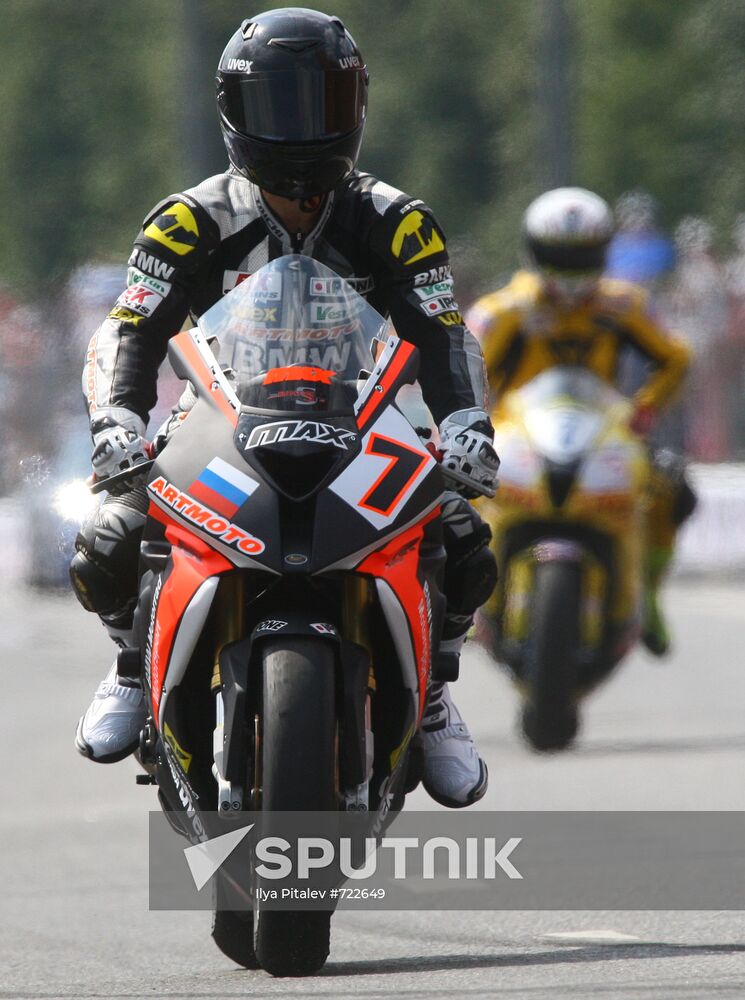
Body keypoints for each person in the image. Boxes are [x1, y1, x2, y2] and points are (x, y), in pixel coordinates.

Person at [70, 8, 498, 809]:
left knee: (466, 541)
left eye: (322, 102)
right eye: (278, 105)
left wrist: (467, 424)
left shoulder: (398, 221)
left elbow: (442, 332)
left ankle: (436, 692)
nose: (302, 129)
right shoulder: (185, 220)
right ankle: (132, 663)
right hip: (220, 422)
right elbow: (130, 327)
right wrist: (117, 421)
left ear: (357, 106)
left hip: (367, 425)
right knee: (107, 537)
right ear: (234, 110)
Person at [466, 187, 696, 656]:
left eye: (583, 257)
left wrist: (645, 407)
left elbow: (675, 357)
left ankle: (648, 592)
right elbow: (465, 364)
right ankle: (464, 600)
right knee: (454, 488)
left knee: (674, 487)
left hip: (604, 431)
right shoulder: (504, 309)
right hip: (517, 432)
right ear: (534, 251)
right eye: (560, 257)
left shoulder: (624, 305)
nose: (571, 272)